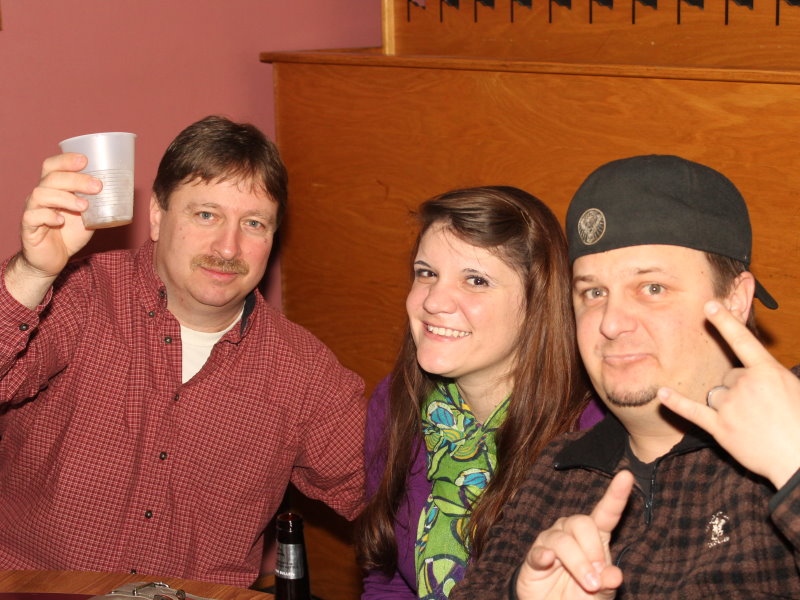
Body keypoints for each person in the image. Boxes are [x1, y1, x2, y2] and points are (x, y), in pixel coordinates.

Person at [0, 116, 365, 586]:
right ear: (156, 213)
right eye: (206, 215)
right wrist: (33, 273)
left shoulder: (303, 372)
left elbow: (389, 496)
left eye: (253, 223)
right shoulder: (80, 297)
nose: (228, 248)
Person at [450, 155, 800, 599]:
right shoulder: (557, 468)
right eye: (593, 292)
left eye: (652, 288)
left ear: (735, 300)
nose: (611, 323)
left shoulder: (790, 432)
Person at [356, 186, 599, 599]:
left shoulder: (591, 432)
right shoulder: (396, 401)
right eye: (426, 273)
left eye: (475, 280)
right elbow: (388, 577)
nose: (433, 301)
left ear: (538, 303)